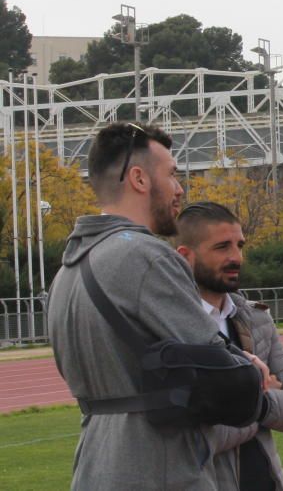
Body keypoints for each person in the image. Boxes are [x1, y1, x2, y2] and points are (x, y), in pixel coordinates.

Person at [47, 122, 267, 489]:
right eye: (172, 175)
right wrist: (252, 368)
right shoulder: (146, 256)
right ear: (139, 178)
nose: (179, 189)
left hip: (94, 465)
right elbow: (219, 373)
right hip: (158, 469)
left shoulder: (65, 273)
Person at [176, 202, 283, 491]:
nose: (236, 257)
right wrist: (261, 399)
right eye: (222, 247)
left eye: (240, 245)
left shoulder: (257, 318)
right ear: (185, 257)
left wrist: (243, 404)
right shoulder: (171, 328)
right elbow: (191, 438)